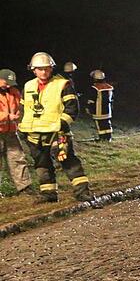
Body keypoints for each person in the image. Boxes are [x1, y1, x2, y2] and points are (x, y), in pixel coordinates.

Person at [18, 52, 98, 206]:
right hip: (34, 134)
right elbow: (23, 108)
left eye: (46, 69)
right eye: (39, 69)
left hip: (57, 132)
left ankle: (83, 193)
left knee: (68, 162)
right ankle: (48, 194)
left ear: (51, 68)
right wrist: (22, 126)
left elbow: (72, 109)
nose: (43, 72)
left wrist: (62, 124)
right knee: (41, 164)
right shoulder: (28, 86)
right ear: (33, 70)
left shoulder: (63, 84)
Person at [0, 69, 33, 196]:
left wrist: (20, 114)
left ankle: (24, 187)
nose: (8, 85)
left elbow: (21, 106)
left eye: (10, 83)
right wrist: (7, 117)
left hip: (11, 132)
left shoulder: (14, 92)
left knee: (18, 159)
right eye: (5, 82)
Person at [85, 69, 114, 141]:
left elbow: (91, 99)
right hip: (108, 111)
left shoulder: (94, 88)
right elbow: (112, 99)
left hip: (98, 111)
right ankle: (108, 138)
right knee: (107, 123)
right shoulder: (109, 87)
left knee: (100, 125)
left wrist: (88, 108)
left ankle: (102, 138)